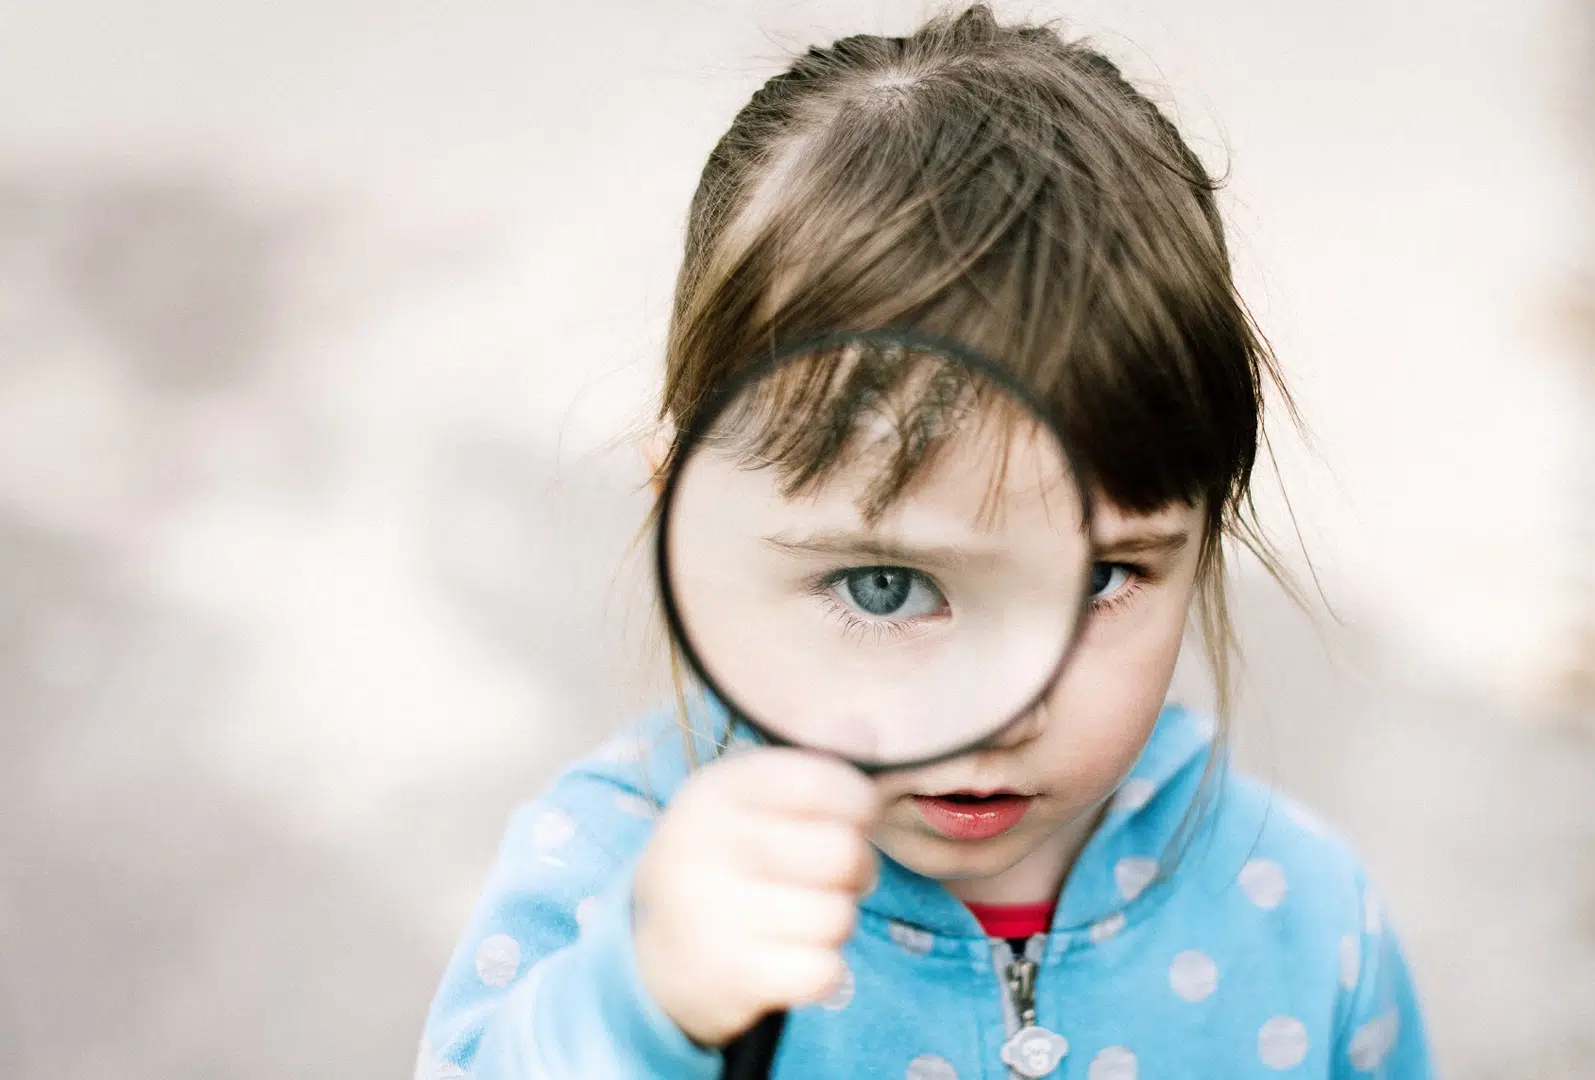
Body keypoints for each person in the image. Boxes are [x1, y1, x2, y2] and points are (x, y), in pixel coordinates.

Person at [417, 6, 1434, 1077]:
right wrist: (639, 1009)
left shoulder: (1302, 915)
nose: (1002, 707)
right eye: (888, 588)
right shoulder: (614, 882)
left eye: (1097, 579)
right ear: (687, 517)